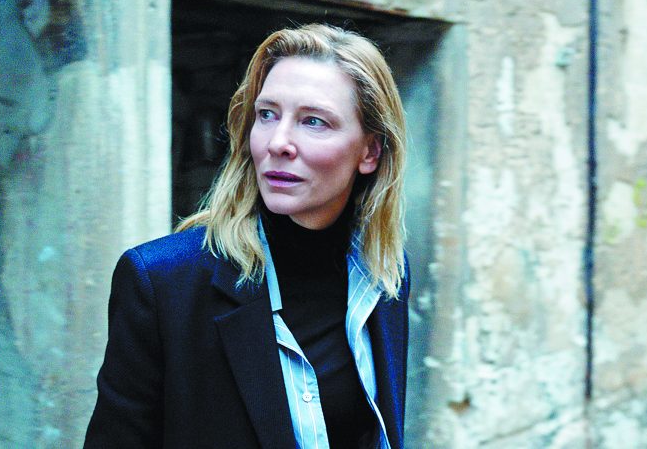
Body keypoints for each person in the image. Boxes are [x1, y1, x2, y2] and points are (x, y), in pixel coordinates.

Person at [84, 23, 410, 449]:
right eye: (267, 114)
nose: (278, 142)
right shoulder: (162, 283)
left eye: (313, 121)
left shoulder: (384, 274)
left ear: (370, 152)